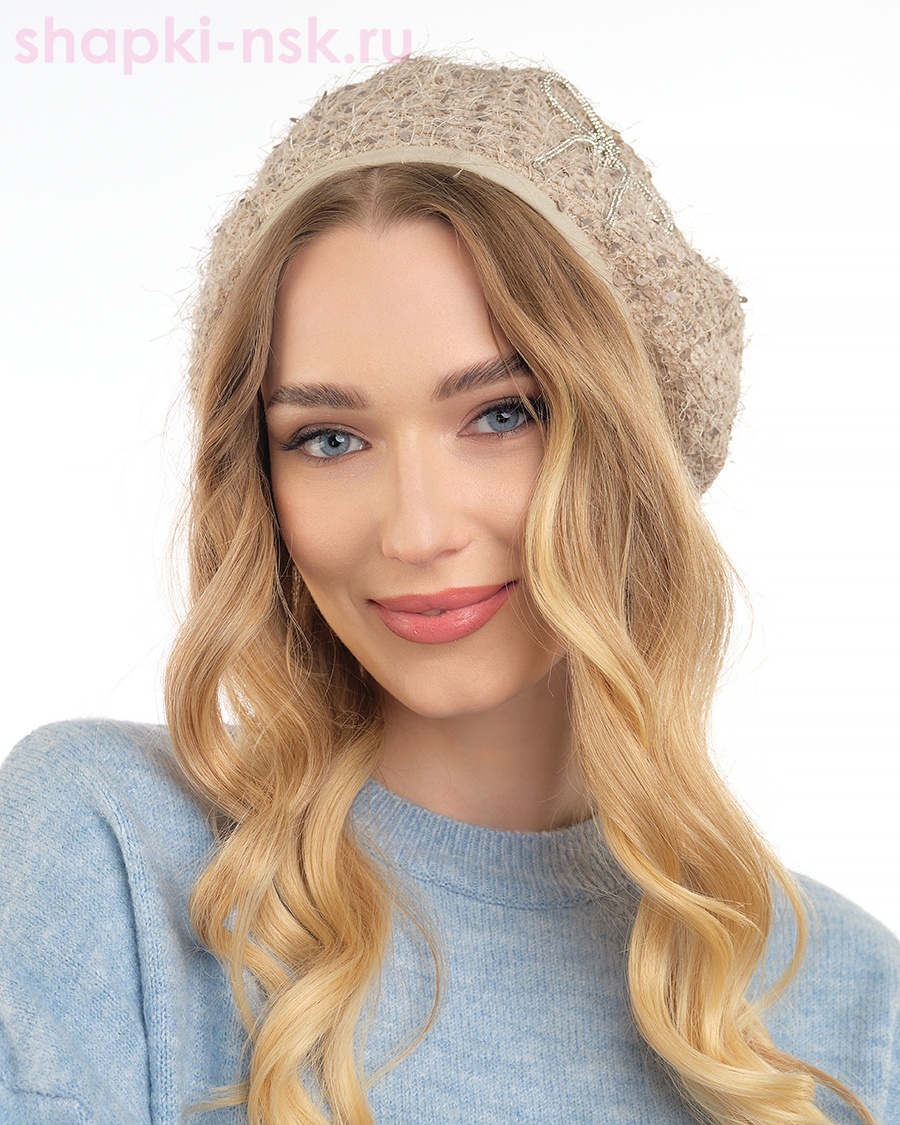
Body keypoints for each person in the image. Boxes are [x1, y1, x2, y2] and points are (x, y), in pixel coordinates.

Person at [0, 52, 897, 1125]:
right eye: (328, 438)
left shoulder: (853, 1008)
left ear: (633, 450)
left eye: (502, 414)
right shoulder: (112, 854)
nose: (417, 531)